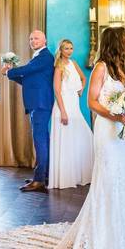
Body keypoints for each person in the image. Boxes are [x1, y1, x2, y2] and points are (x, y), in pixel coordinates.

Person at [0, 27, 125, 249]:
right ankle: (104, 242)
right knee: (109, 181)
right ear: (116, 42)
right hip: (108, 130)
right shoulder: (101, 67)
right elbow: (92, 102)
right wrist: (115, 115)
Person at [2, 30, 54, 193]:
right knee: (42, 140)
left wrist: (9, 71)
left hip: (40, 104)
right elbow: (28, 79)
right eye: (31, 38)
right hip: (37, 103)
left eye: (36, 38)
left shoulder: (45, 56)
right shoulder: (38, 57)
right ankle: (43, 175)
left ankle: (39, 180)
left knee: (40, 141)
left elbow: (27, 71)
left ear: (44, 40)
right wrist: (9, 74)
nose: (33, 41)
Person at [49, 39, 93, 189]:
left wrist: (81, 89)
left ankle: (80, 175)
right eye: (66, 48)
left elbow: (84, 77)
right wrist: (63, 112)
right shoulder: (58, 67)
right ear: (60, 50)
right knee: (67, 141)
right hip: (64, 107)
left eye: (71, 48)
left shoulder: (73, 63)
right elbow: (57, 90)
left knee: (81, 138)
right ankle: (65, 178)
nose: (69, 51)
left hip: (74, 105)